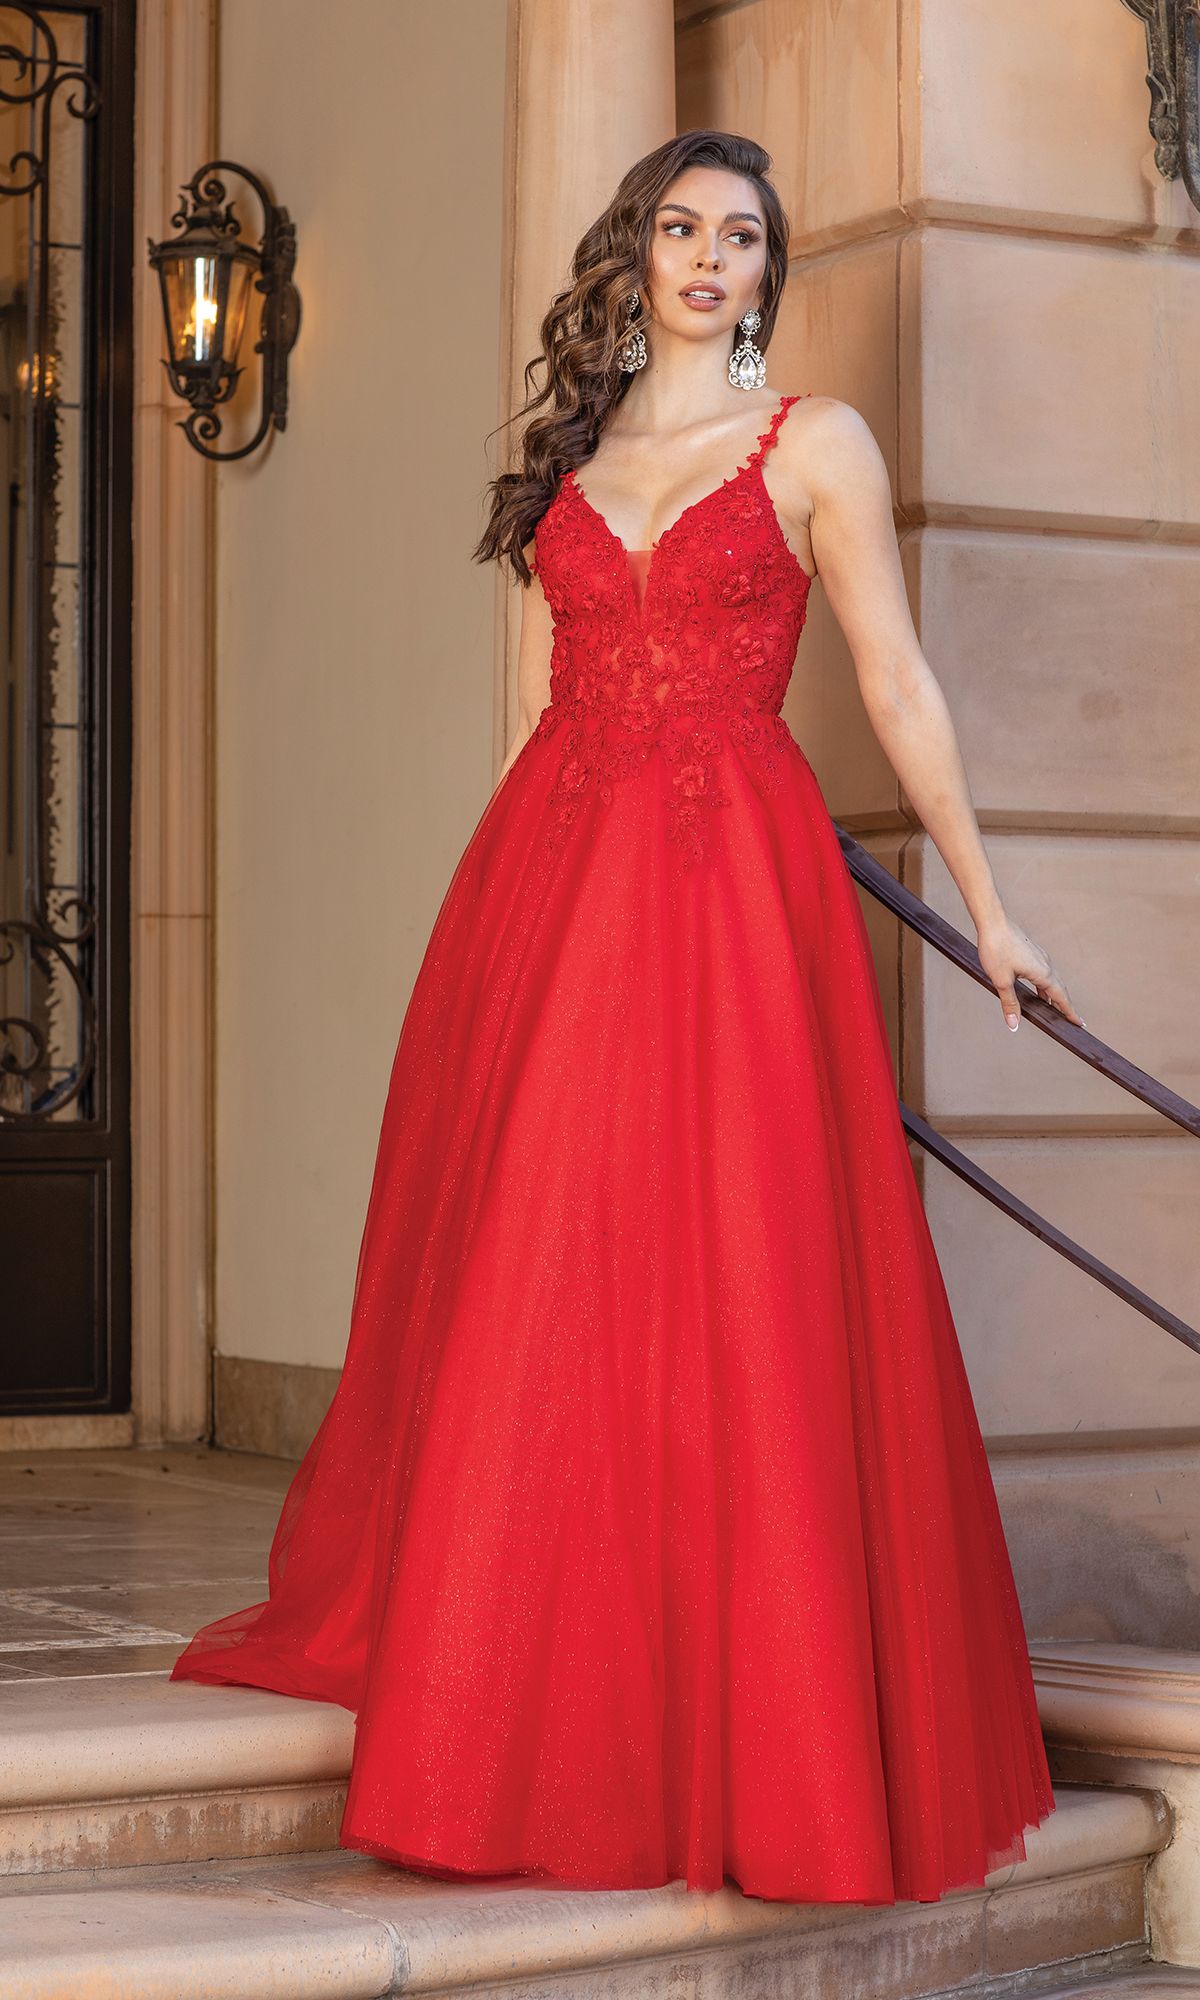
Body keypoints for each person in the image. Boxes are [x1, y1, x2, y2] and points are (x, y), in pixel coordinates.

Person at [169, 128, 1075, 1905]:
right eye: (681, 228)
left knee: (741, 1267)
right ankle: (521, 1687)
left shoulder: (815, 442)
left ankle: (758, 1723)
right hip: (555, 884)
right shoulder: (576, 453)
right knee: (543, 1268)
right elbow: (566, 686)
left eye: (743, 236)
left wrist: (989, 905)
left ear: (767, 268)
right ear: (636, 253)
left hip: (733, 886)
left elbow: (891, 675)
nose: (711, 258)